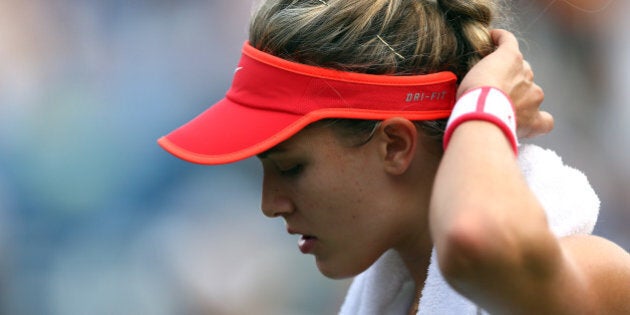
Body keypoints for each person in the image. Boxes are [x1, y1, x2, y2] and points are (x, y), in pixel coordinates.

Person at [157, 0, 630, 313]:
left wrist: (485, 101)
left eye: (291, 168)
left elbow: (476, 239)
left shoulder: (592, 275)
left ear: (396, 146)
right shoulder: (390, 298)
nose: (270, 202)